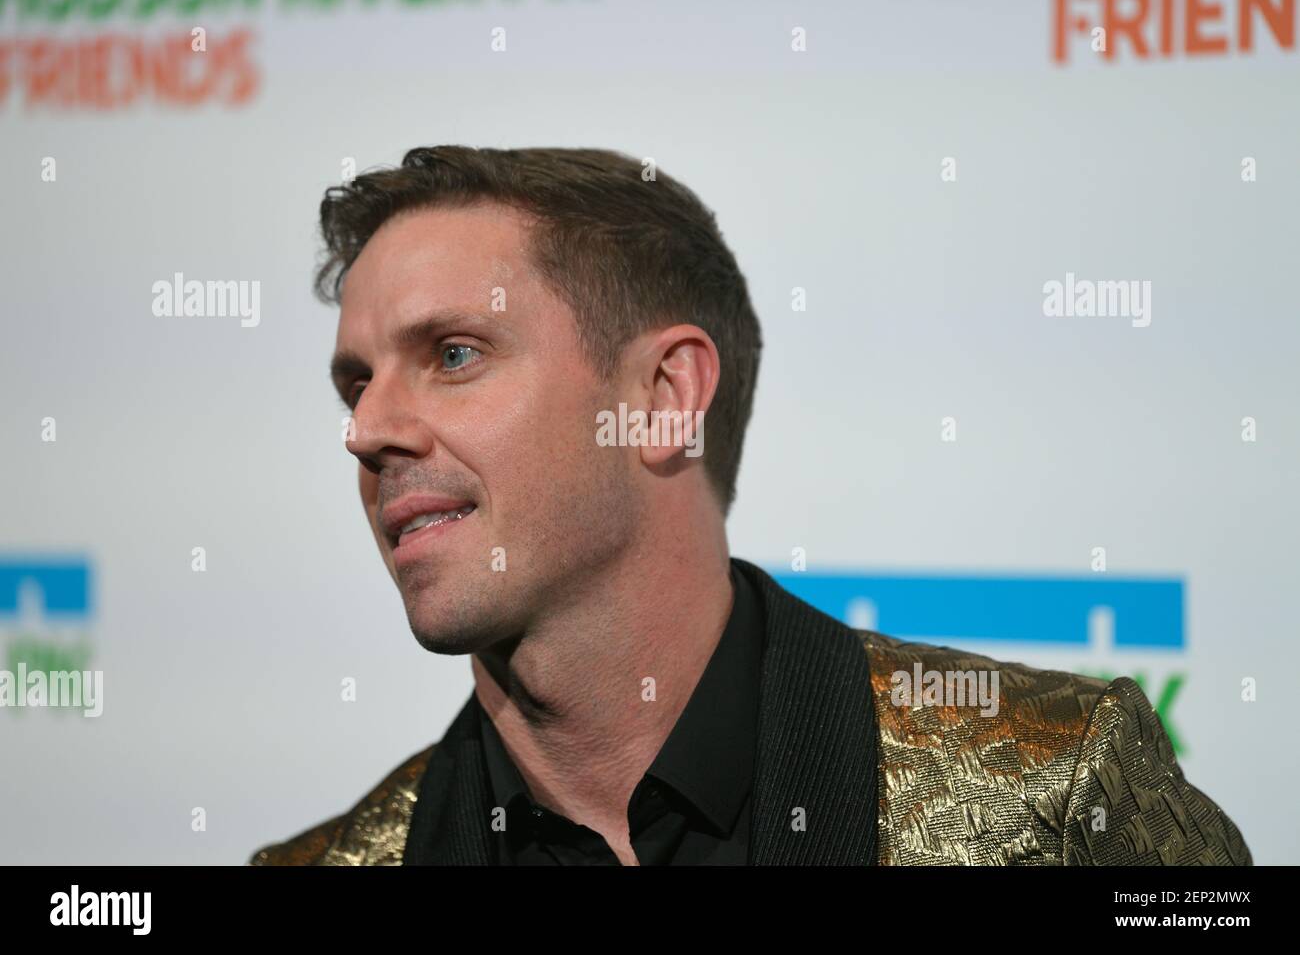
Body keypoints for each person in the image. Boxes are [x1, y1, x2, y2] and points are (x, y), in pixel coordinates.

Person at [249, 146, 1250, 866]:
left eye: (453, 354)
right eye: (354, 384)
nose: (368, 428)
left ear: (662, 400)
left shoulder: (1054, 794)